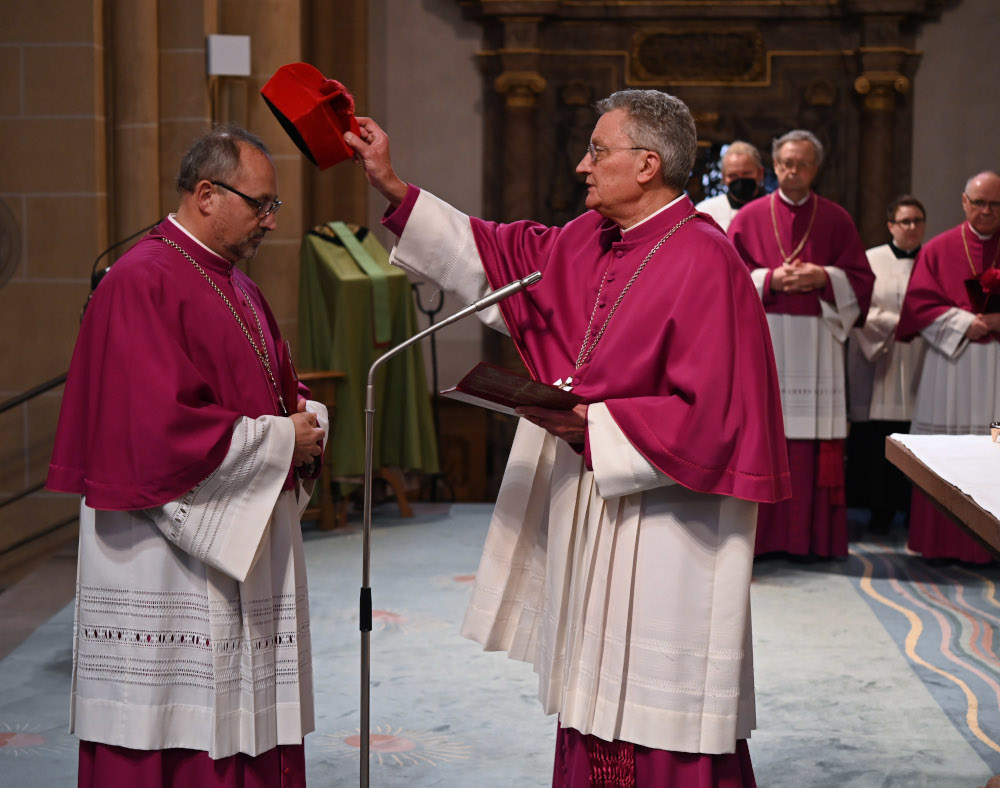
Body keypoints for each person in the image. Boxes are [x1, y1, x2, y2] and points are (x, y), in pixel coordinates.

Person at [344, 90, 790, 785]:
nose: (583, 166)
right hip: (592, 496)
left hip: (669, 518)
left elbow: (718, 416)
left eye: (598, 151)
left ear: (647, 164)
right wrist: (393, 186)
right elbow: (493, 252)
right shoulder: (586, 241)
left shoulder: (708, 260)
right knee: (594, 675)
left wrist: (597, 423)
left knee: (655, 691)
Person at [46, 124, 327, 786]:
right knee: (177, 726)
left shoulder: (235, 283)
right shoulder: (140, 280)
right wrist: (284, 437)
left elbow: (267, 386)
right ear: (206, 193)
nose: (270, 221)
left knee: (237, 714)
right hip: (161, 560)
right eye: (261, 204)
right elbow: (151, 432)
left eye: (273, 206)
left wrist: (306, 416)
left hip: (232, 546)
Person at [728, 129, 874, 558]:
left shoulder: (836, 218)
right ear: (774, 167)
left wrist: (825, 277)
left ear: (816, 168)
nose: (793, 171)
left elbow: (863, 281)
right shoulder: (749, 217)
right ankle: (764, 539)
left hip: (818, 342)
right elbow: (727, 281)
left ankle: (813, 541)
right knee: (764, 436)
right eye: (786, 163)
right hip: (767, 338)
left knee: (810, 445)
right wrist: (770, 279)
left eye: (803, 164)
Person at [896, 170, 1000, 564]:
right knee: (948, 452)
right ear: (964, 202)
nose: (987, 210)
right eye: (979, 202)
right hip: (951, 367)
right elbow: (918, 305)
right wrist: (964, 323)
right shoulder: (938, 248)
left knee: (996, 443)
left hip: (996, 368)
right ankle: (940, 543)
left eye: (995, 204)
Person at [846, 196, 928, 533]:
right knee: (880, 437)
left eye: (917, 221)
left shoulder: (932, 260)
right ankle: (879, 508)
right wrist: (902, 321)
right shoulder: (870, 260)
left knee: (918, 436)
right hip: (881, 359)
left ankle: (913, 509)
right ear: (891, 225)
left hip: (921, 356)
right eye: (905, 221)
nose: (912, 228)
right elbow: (858, 308)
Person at [695, 140, 766, 231]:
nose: (740, 180)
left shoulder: (774, 209)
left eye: (746, 173)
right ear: (724, 177)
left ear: (760, 173)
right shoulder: (706, 213)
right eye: (733, 175)